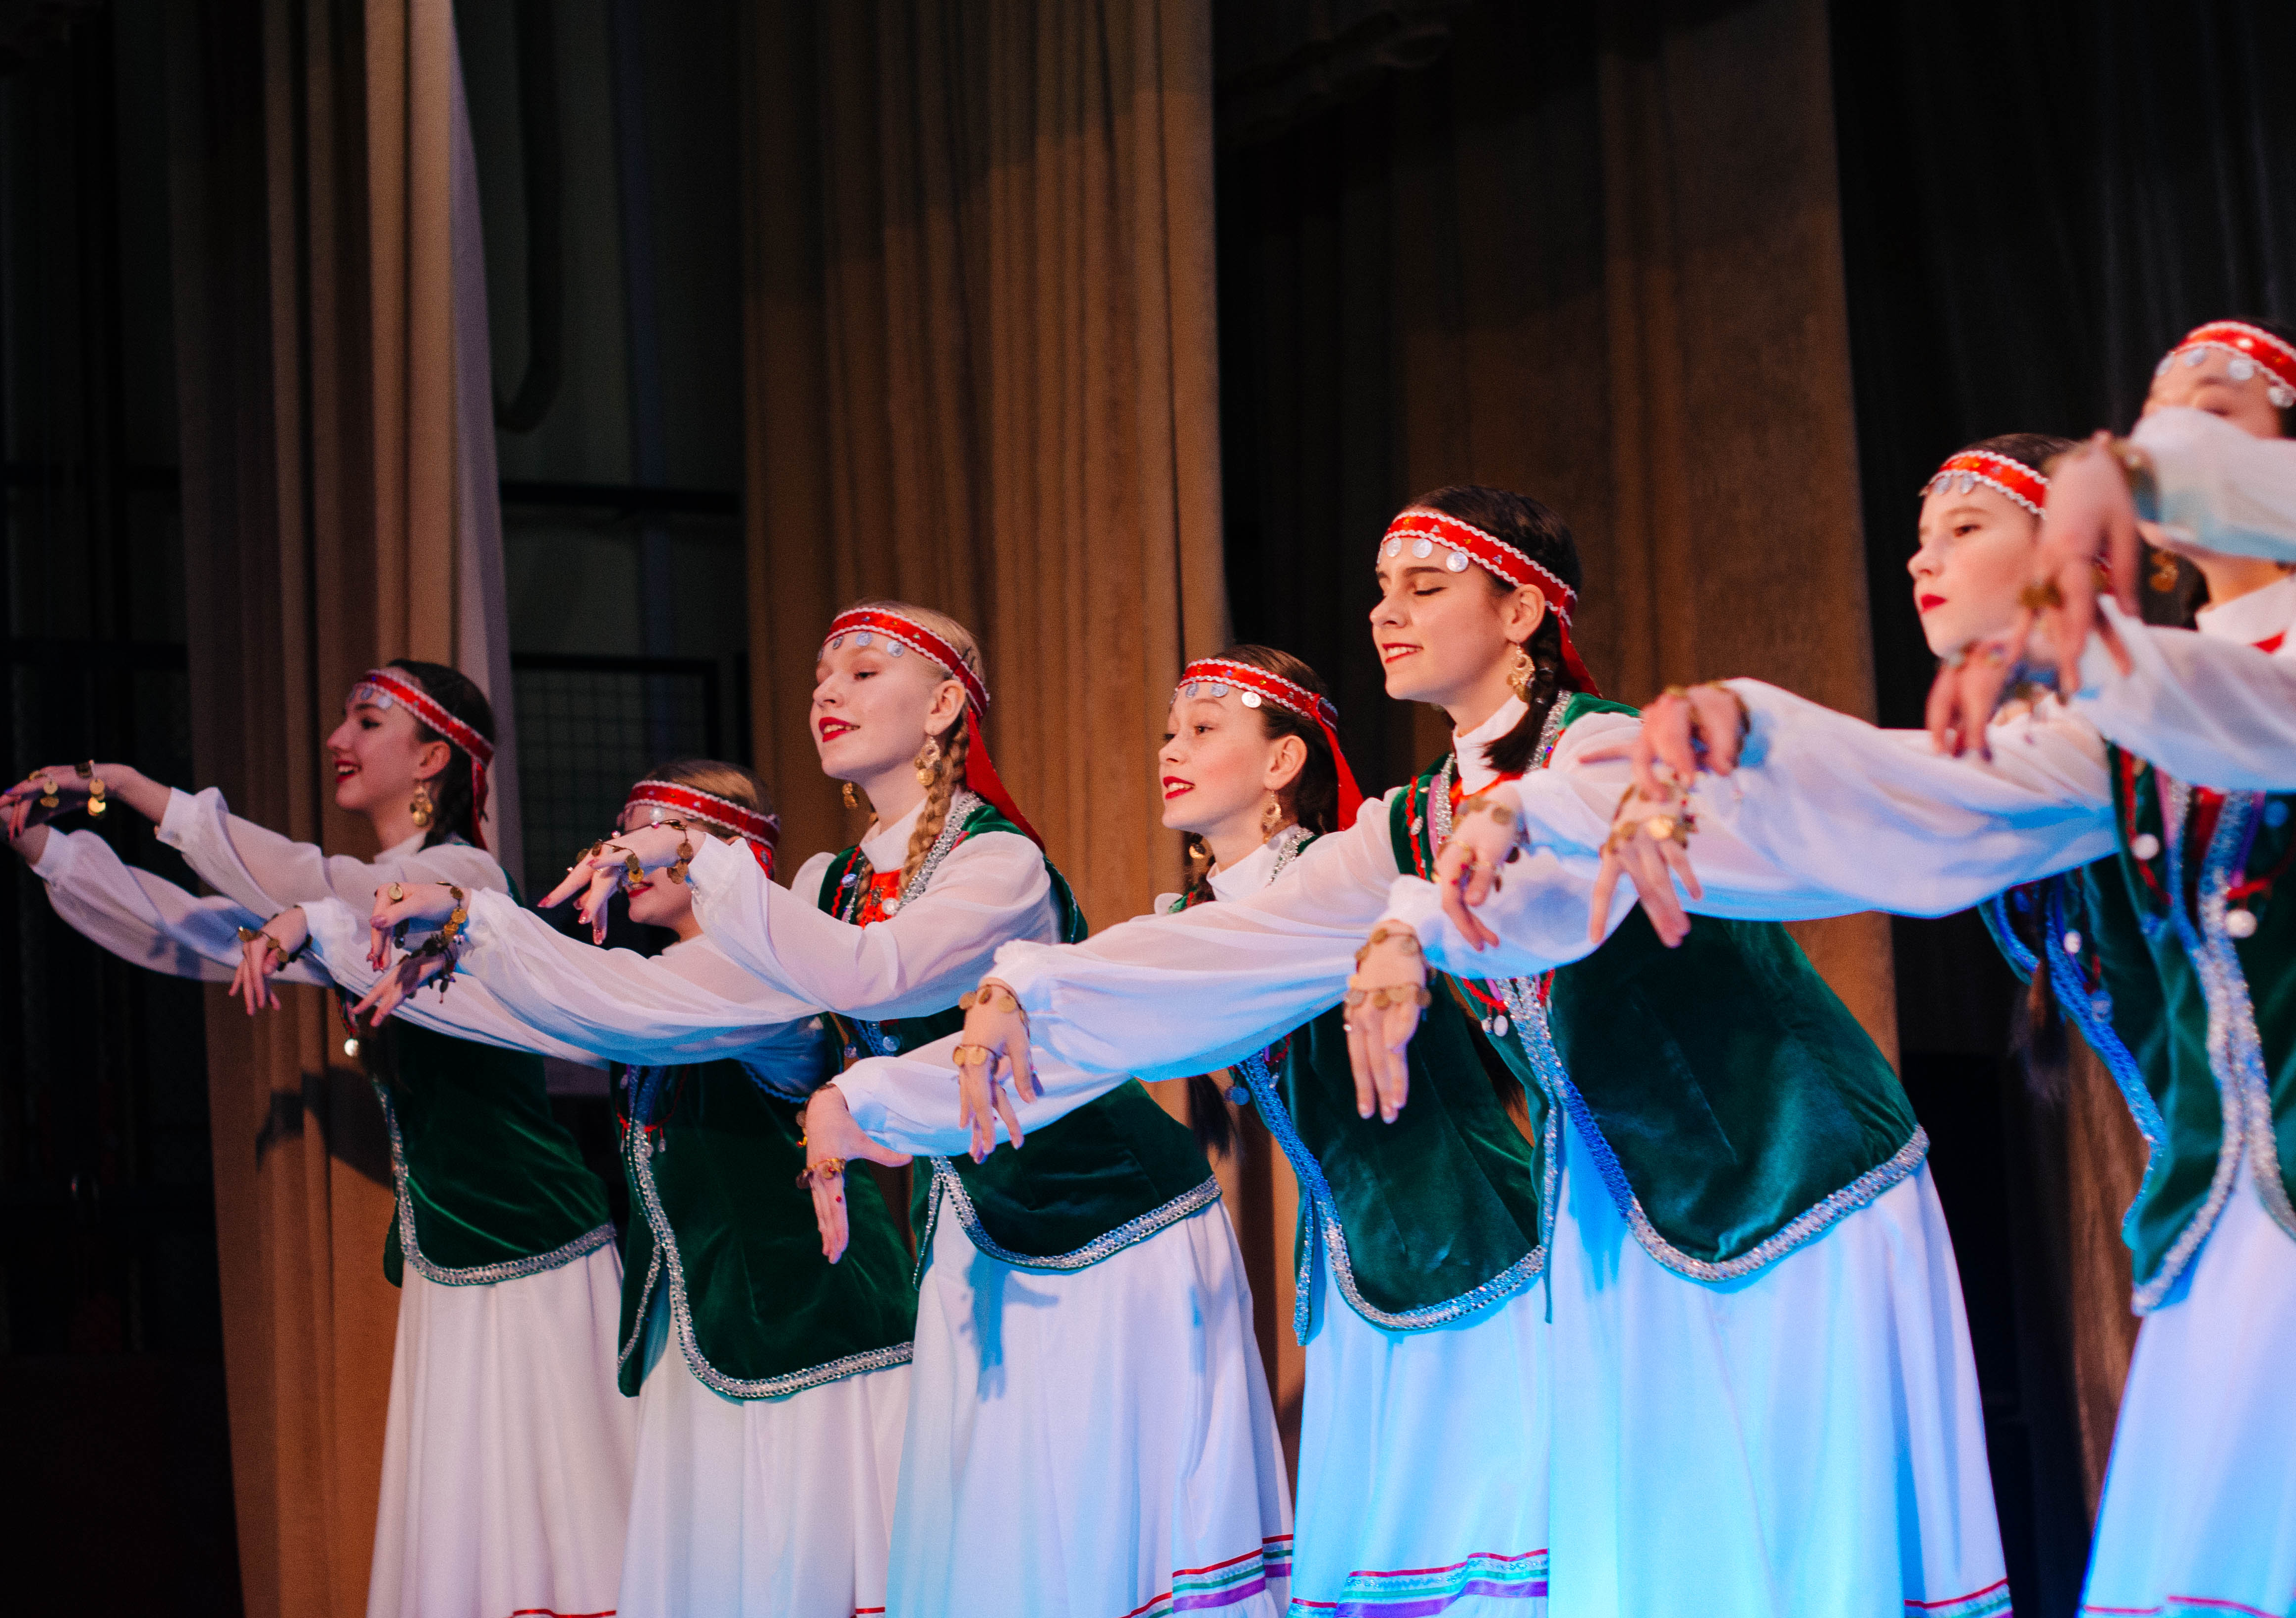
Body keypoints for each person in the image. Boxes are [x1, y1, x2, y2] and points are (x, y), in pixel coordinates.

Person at [946, 490, 2007, 1618]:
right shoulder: (1415, 819)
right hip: (1623, 1212)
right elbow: (1242, 936)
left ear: (1521, 612)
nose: (1385, 613)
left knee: (1812, 1533)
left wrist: (1420, 920)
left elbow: (1561, 849)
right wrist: (1031, 984)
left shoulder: (1601, 745)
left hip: (1795, 1176)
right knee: (1665, 1550)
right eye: (1379, 590)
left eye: (1425, 587)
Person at [1542, 320, 2296, 1618]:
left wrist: (2109, 563)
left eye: (2217, 415)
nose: (2170, 437)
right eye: (2155, 416)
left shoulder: (2175, 690)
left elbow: (2243, 716)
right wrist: (1731, 736)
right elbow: (1920, 809)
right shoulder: (2108, 727)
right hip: (2224, 1214)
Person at [545, 601, 1292, 1618]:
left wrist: (693, 852)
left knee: (1102, 1534)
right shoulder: (833, 882)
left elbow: (876, 973)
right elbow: (696, 993)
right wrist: (470, 938)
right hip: (974, 1235)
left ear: (943, 706)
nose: (828, 691)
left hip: (1111, 1225)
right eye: (822, 675)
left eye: (862, 670)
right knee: (987, 1544)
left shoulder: (997, 864)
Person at [0, 661, 634, 1618]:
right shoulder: (363, 904)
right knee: (477, 1546)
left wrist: (129, 786)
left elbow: (324, 890)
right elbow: (199, 930)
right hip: (457, 1261)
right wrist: (30, 839)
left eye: (368, 721)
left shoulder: (462, 878)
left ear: (433, 759)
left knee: (561, 1539)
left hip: (534, 1259)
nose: (338, 739)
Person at [820, 642, 1551, 1614]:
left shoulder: (1329, 881)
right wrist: (882, 1091)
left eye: (1204, 730)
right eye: (1171, 731)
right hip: (1362, 1275)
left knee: (1481, 1544)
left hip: (1472, 1256)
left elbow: (1158, 982)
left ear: (1282, 761)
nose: (1171, 749)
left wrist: (1012, 990)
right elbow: (1097, 1040)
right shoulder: (1210, 913)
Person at [279, 758, 917, 1618]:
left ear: (721, 851)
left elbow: (607, 1000)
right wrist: (394, 949)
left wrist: (472, 917)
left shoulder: (763, 971)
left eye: (647, 833)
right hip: (713, 1332)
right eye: (619, 832)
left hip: (809, 1336)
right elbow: (546, 1014)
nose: (620, 852)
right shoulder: (670, 981)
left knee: (798, 1576)